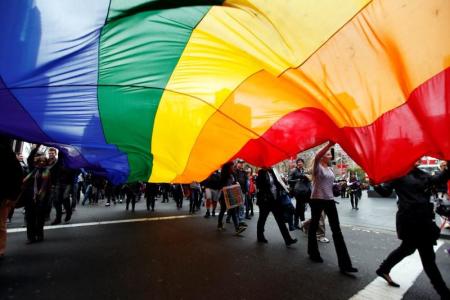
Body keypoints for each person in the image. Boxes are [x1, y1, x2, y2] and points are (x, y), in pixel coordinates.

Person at [372, 160, 450, 299]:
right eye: (417, 156)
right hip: (410, 221)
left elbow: (438, 180)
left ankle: (383, 269)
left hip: (424, 220)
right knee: (428, 258)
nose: (419, 158)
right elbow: (385, 191)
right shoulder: (398, 174)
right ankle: (444, 293)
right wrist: (375, 184)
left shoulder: (422, 174)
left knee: (407, 249)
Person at [307, 141, 357, 274]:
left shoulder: (329, 168)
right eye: (328, 154)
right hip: (317, 199)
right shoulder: (317, 167)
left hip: (329, 200)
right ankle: (313, 253)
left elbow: (329, 183)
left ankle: (345, 264)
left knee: (336, 230)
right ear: (323, 156)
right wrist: (329, 144)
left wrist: (338, 185)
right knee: (314, 227)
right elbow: (317, 155)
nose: (330, 155)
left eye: (330, 153)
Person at [256, 167, 298, 245]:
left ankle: (288, 239)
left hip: (275, 200)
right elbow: (259, 185)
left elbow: (278, 183)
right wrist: (263, 173)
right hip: (265, 201)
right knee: (262, 219)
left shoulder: (273, 171)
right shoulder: (261, 173)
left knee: (280, 220)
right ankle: (260, 236)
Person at [0, 137, 23, 258]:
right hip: (6, 195)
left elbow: (18, 178)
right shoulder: (11, 157)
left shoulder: (9, 157)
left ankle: (0, 250)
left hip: (4, 196)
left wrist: (12, 196)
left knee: (1, 225)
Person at [23, 153, 52, 243]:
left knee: (40, 218)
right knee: (30, 217)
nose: (42, 162)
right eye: (40, 161)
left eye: (44, 161)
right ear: (37, 162)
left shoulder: (47, 171)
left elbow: (47, 187)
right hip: (30, 197)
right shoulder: (33, 170)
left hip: (41, 198)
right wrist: (35, 148)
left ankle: (39, 235)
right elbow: (29, 159)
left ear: (46, 163)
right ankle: (30, 237)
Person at [217, 162, 246, 235]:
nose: (233, 167)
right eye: (232, 166)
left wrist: (236, 184)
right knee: (223, 210)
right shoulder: (224, 176)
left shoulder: (233, 174)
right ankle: (220, 224)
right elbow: (221, 186)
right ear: (228, 168)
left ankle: (237, 228)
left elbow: (234, 183)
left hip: (232, 196)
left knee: (233, 211)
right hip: (225, 196)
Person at [288, 158, 311, 230]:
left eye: (301, 162)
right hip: (298, 192)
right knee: (299, 207)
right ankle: (298, 223)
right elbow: (289, 180)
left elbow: (309, 179)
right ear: (297, 164)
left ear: (303, 163)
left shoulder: (305, 170)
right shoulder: (294, 171)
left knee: (301, 208)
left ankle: (300, 223)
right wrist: (297, 180)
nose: (300, 163)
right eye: (298, 162)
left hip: (306, 192)